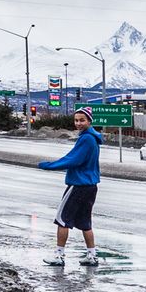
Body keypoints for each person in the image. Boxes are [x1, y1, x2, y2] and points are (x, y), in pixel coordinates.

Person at [39, 106, 103, 267]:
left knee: (62, 220)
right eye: (76, 120)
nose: (78, 123)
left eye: (82, 120)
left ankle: (59, 255)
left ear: (89, 121)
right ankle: (92, 255)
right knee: (85, 222)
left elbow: (73, 159)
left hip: (78, 185)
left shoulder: (86, 139)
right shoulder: (93, 138)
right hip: (90, 185)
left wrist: (49, 165)